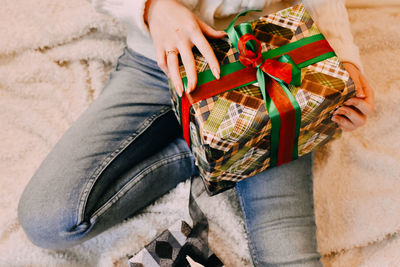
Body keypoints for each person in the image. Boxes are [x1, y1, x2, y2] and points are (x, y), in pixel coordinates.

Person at [17, 0, 375, 266]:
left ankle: (223, 149)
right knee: (48, 219)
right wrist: (151, 8)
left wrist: (342, 63)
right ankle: (210, 151)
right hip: (159, 58)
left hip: (265, 60)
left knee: (291, 256)